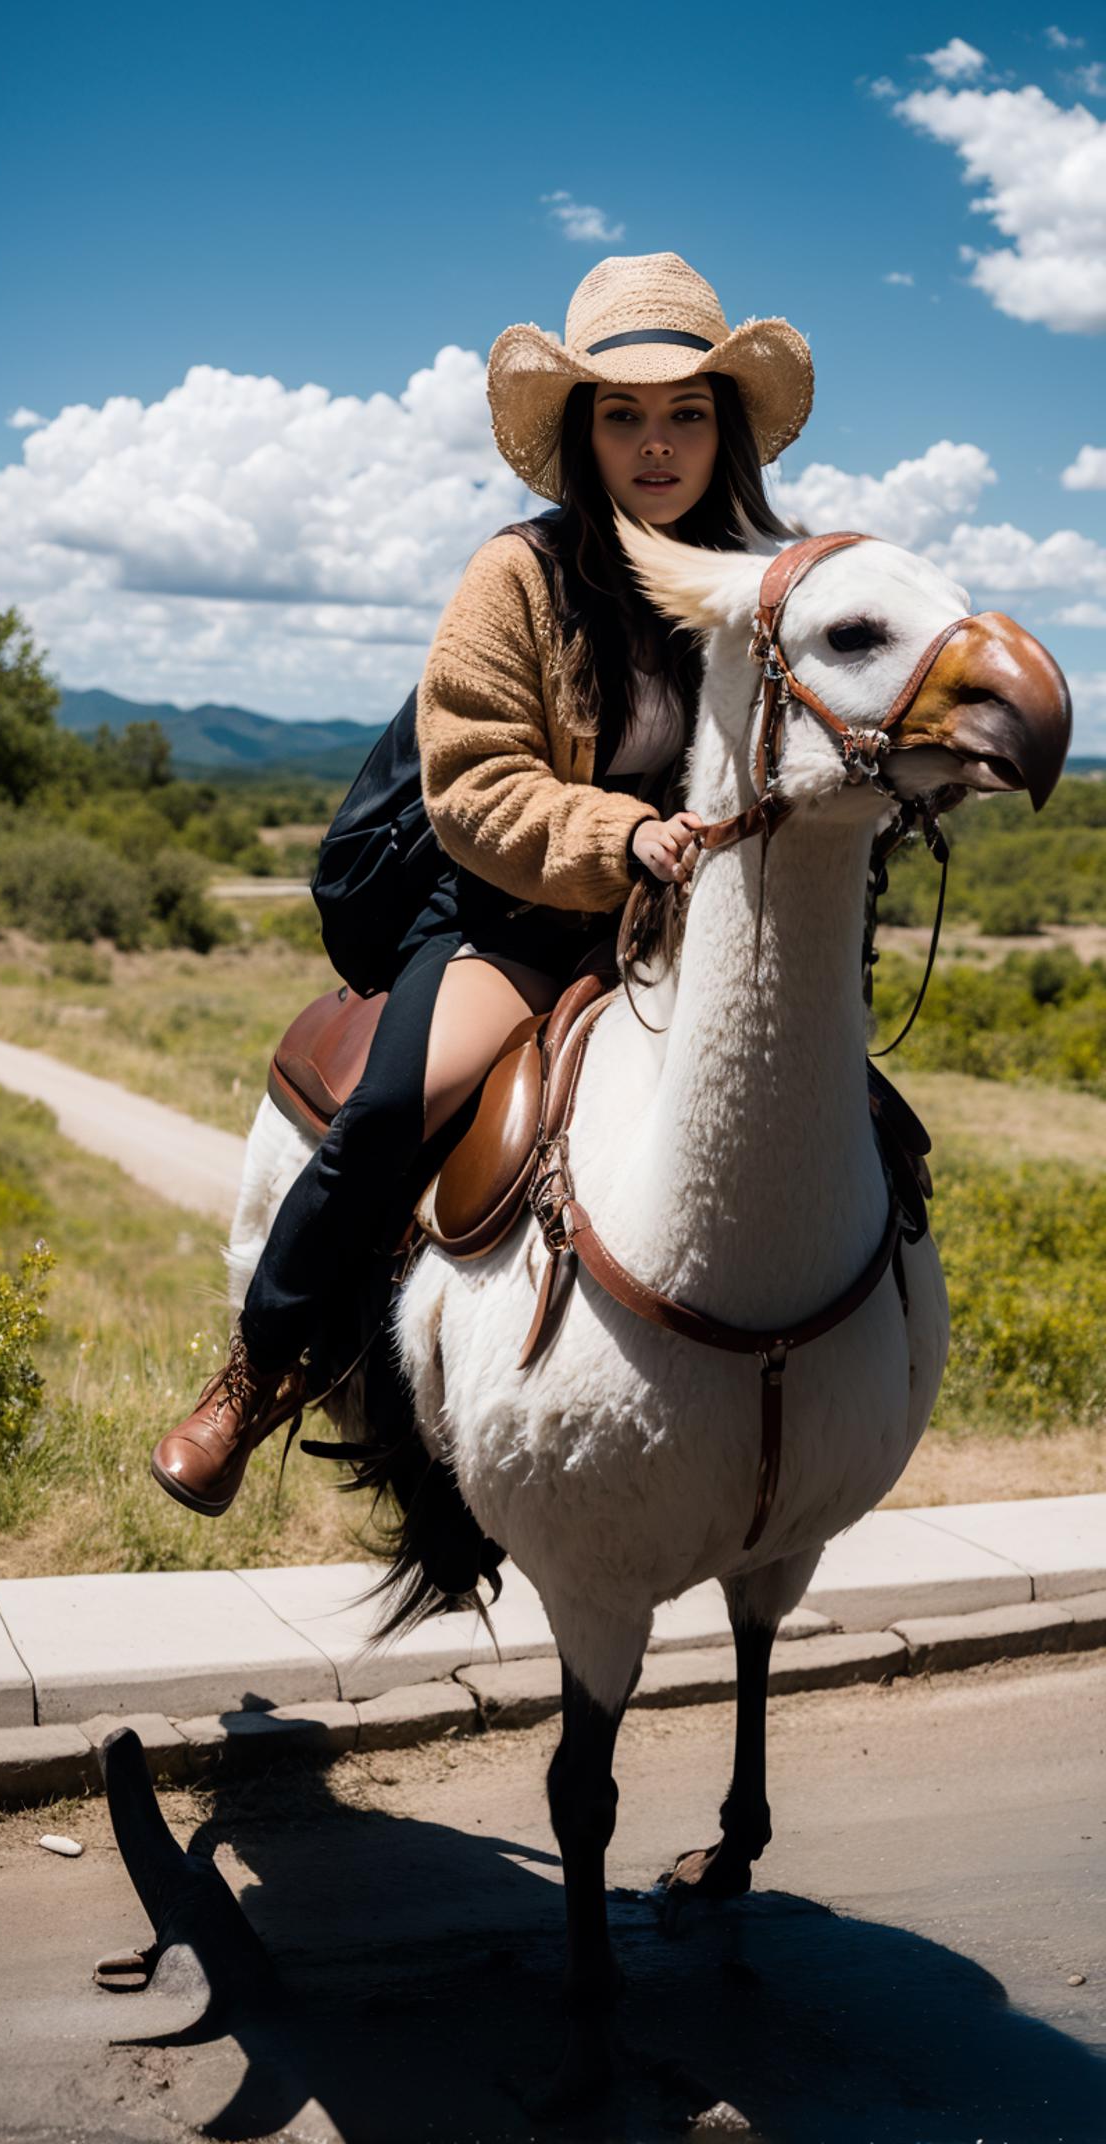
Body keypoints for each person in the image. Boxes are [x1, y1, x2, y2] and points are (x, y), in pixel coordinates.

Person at [150, 251, 813, 1516]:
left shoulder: (755, 592)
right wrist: (620, 838)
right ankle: (254, 1374)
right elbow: (473, 780)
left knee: (846, 1107)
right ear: (583, 430)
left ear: (726, 428)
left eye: (686, 414)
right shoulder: (518, 575)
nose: (656, 444)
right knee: (400, 1104)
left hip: (688, 943)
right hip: (514, 923)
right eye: (623, 415)